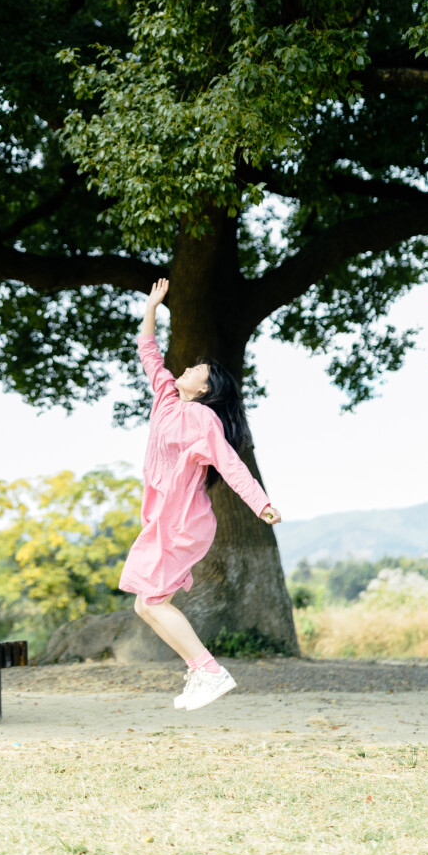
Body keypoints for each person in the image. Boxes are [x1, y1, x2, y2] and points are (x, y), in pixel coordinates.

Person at [119, 277, 281, 712]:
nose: (187, 369)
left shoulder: (202, 420)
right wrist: (153, 306)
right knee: (145, 606)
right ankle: (200, 670)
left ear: (206, 390)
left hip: (183, 523)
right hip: (162, 521)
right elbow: (148, 350)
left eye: (197, 371)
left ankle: (208, 670)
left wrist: (260, 503)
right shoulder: (167, 400)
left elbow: (230, 464)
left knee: (150, 602)